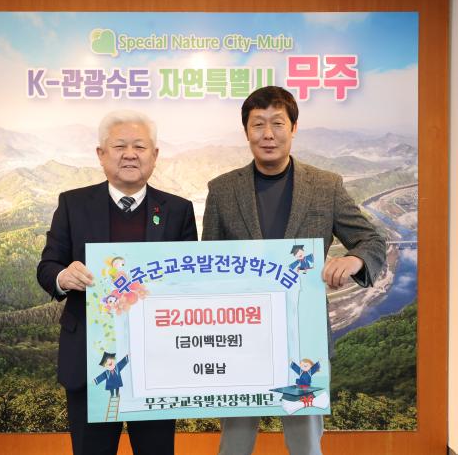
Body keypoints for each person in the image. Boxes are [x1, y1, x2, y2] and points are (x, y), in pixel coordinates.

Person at [202, 86, 386, 455]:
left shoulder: (326, 186)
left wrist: (355, 260)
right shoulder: (222, 190)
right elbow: (209, 265)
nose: (268, 134)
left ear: (294, 128)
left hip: (304, 339)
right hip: (240, 337)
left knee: (305, 444)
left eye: (277, 123)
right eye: (258, 125)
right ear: (246, 131)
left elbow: (372, 240)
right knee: (234, 442)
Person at [37, 110, 197, 455]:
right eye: (119, 146)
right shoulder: (73, 204)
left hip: (156, 361)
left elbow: (188, 281)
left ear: (155, 155)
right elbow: (47, 267)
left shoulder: (178, 210)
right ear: (101, 154)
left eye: (139, 146)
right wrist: (64, 277)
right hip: (90, 361)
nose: (130, 154)